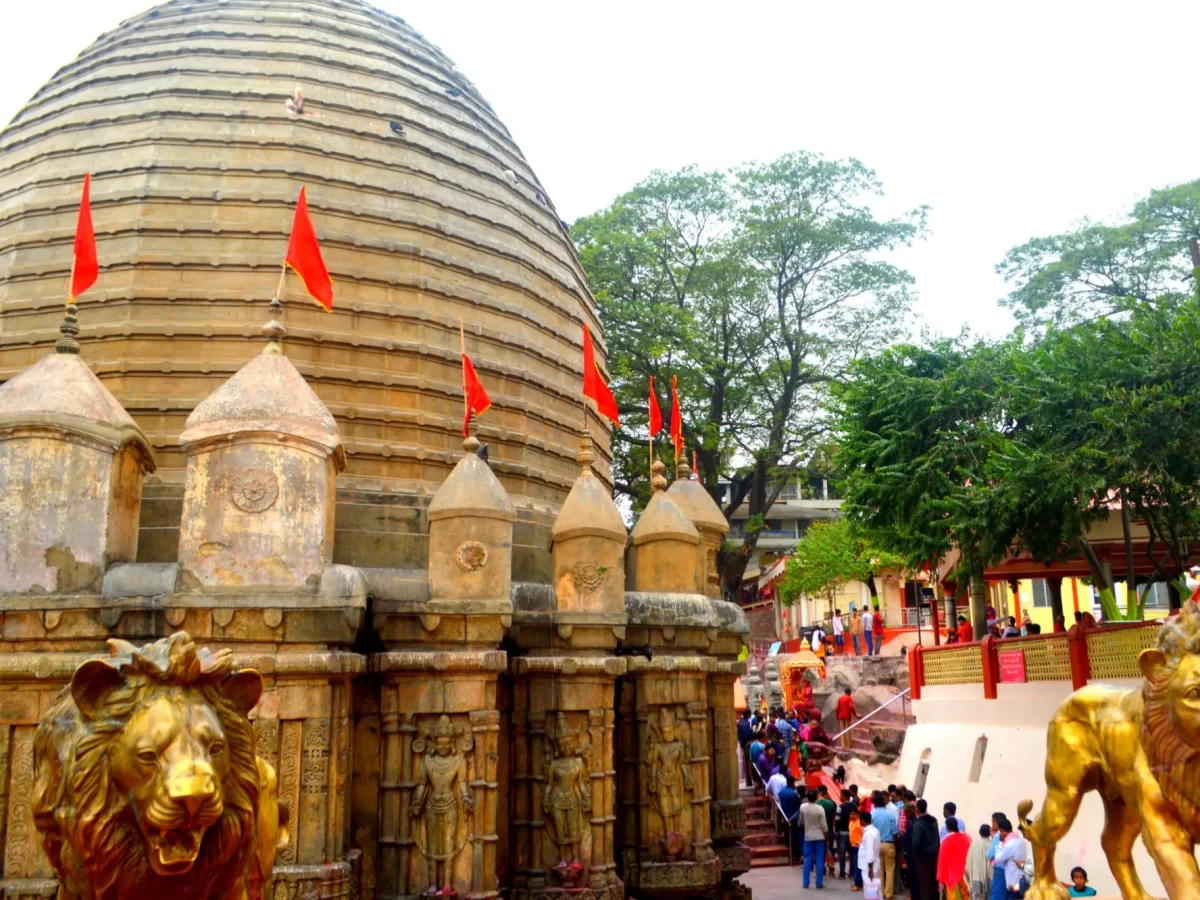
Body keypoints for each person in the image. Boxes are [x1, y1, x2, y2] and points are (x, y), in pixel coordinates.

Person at [910, 798, 939, 900]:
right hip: (934, 855)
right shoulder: (934, 821)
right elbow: (937, 837)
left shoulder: (918, 824)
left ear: (917, 808)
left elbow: (916, 842)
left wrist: (914, 853)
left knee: (923, 883)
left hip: (922, 857)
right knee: (932, 881)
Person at [871, 791, 898, 899]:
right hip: (889, 844)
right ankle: (889, 894)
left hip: (877, 844)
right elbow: (895, 832)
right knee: (890, 870)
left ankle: (880, 892)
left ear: (876, 804)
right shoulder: (890, 815)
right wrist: (894, 844)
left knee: (880, 870)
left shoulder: (872, 815)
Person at [991, 816, 1026, 898]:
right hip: (1020, 881)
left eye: (1000, 832)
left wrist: (1000, 843)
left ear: (1002, 831)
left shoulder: (1009, 844)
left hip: (1013, 883)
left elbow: (998, 859)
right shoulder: (1020, 840)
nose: (1000, 834)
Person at [801, 789, 829, 889]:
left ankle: (805, 882)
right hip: (820, 836)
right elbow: (824, 825)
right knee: (819, 859)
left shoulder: (803, 807)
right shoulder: (820, 809)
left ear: (807, 798)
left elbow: (802, 821)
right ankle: (819, 883)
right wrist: (826, 837)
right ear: (816, 797)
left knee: (807, 859)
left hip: (808, 836)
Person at [937, 817, 971, 900]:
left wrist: (940, 878)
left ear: (947, 828)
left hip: (951, 875)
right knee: (965, 896)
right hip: (964, 874)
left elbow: (941, 860)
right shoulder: (966, 837)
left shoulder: (946, 840)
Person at [966, 824, 992, 900]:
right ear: (990, 833)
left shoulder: (974, 844)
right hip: (989, 878)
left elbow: (969, 861)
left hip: (976, 878)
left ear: (980, 832)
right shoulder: (992, 844)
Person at [859, 810, 881, 895]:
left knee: (871, 892)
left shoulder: (869, 834)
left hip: (868, 866)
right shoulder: (873, 831)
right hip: (870, 865)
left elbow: (870, 853)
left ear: (862, 821)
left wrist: (870, 869)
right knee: (872, 891)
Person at [817, 785, 838, 876]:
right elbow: (834, 816)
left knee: (820, 850)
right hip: (829, 829)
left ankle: (822, 869)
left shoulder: (816, 803)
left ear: (820, 791)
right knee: (830, 849)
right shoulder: (832, 803)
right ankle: (831, 868)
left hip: (819, 830)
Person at [836, 788, 856, 880]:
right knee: (852, 853)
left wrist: (836, 831)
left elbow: (837, 820)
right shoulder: (854, 806)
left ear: (845, 796)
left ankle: (842, 872)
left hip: (842, 832)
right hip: (852, 832)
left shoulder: (840, 807)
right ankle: (852, 872)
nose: (840, 797)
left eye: (841, 795)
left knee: (842, 853)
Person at [848, 801, 865, 891]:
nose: (852, 815)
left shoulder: (859, 824)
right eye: (851, 814)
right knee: (855, 864)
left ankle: (858, 883)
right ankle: (857, 882)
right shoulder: (851, 822)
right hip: (852, 846)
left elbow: (864, 834)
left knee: (858, 865)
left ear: (858, 815)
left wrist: (860, 842)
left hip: (858, 847)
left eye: (854, 814)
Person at [737, 710, 754, 785]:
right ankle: (749, 781)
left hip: (742, 743)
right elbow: (747, 736)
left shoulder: (740, 722)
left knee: (746, 762)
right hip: (746, 744)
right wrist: (754, 734)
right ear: (748, 715)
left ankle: (748, 780)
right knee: (748, 762)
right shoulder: (745, 724)